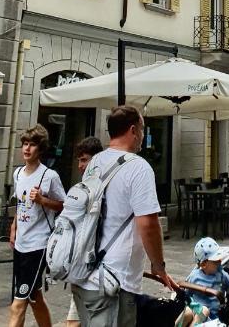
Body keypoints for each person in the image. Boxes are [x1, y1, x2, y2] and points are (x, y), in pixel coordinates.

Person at [70, 105, 177, 327]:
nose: (142, 136)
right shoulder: (139, 168)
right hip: (116, 279)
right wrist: (158, 265)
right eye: (142, 128)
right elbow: (148, 224)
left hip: (86, 269)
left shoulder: (94, 164)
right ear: (133, 130)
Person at [9, 124, 66, 327]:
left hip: (39, 245)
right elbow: (19, 204)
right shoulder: (18, 174)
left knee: (18, 303)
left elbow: (64, 205)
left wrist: (43, 200)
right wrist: (14, 228)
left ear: (40, 149)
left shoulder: (49, 176)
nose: (27, 149)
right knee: (34, 297)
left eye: (32, 145)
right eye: (25, 144)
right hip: (21, 244)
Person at [64, 136, 104, 327]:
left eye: (84, 159)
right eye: (79, 160)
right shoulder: (81, 189)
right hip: (80, 266)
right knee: (74, 321)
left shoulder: (102, 190)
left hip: (96, 269)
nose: (80, 166)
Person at [176, 237, 229, 326]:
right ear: (203, 264)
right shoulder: (194, 276)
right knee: (187, 313)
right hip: (197, 312)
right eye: (215, 261)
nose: (219, 262)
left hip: (213, 317)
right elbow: (187, 294)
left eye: (219, 258)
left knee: (203, 311)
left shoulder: (221, 274)